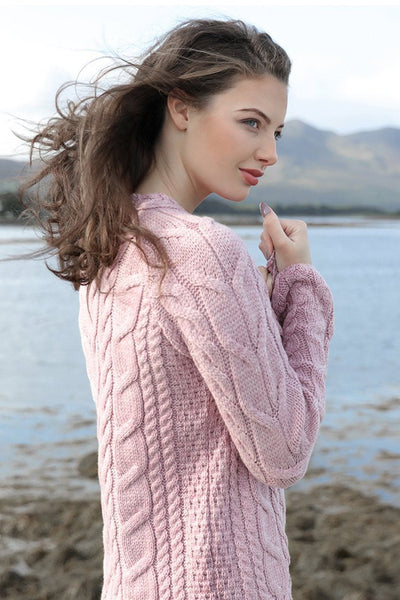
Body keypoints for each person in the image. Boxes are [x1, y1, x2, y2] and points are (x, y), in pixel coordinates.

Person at [21, 18, 334, 600]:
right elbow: (285, 451)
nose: (269, 152)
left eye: (277, 132)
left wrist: (263, 315)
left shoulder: (110, 244)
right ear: (182, 108)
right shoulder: (202, 250)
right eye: (250, 122)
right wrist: (301, 289)